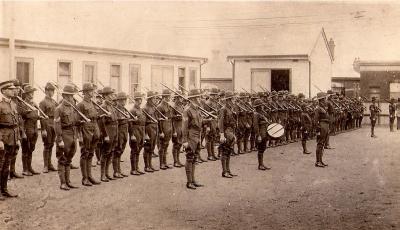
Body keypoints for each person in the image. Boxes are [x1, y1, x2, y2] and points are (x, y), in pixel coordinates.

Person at [54, 84, 79, 190]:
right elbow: (57, 125)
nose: (70, 98)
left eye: (72, 96)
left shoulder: (73, 107)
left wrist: (77, 136)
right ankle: (62, 183)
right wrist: (59, 139)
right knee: (62, 159)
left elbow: (76, 122)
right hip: (64, 134)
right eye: (68, 96)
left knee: (69, 158)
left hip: (72, 134)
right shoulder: (59, 109)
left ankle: (68, 181)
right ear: (64, 96)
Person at [76, 83, 101, 186]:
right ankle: (85, 178)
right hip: (86, 130)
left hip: (94, 128)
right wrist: (80, 136)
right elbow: (77, 122)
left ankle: (90, 176)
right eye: (91, 91)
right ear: (85, 93)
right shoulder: (80, 105)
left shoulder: (93, 103)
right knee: (85, 153)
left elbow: (96, 117)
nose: (93, 92)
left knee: (91, 153)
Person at [0, 80, 20, 199]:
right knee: (0, 164)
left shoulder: (13, 104)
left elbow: (15, 122)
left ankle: (4, 189)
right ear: (3, 90)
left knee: (7, 164)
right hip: (3, 137)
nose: (13, 91)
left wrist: (16, 138)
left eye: (13, 89)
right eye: (10, 89)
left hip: (12, 137)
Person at [182, 89, 204, 189]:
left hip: (197, 135)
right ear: (194, 99)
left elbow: (199, 122)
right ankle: (189, 182)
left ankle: (193, 180)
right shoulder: (187, 110)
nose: (200, 99)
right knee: (189, 157)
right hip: (191, 136)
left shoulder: (197, 109)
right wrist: (185, 141)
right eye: (198, 97)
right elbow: (184, 127)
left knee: (195, 158)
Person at [20, 85, 40, 176]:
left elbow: (35, 116)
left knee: (31, 149)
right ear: (26, 94)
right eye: (30, 93)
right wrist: (23, 133)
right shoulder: (23, 104)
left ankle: (29, 167)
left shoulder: (34, 104)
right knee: (25, 149)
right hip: (27, 129)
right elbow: (21, 119)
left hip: (34, 129)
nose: (32, 94)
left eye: (32, 92)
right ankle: (25, 169)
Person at [99, 87, 118, 182]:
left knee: (110, 152)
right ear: (105, 96)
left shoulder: (111, 106)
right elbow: (101, 122)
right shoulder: (103, 107)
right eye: (110, 95)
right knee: (105, 153)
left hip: (114, 131)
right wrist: (105, 135)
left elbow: (115, 120)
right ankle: (102, 175)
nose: (112, 96)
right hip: (108, 131)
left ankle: (107, 173)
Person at [39, 82, 58, 173]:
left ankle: (50, 164)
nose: (51, 92)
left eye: (52, 91)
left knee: (51, 144)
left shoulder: (54, 102)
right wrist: (43, 129)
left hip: (53, 123)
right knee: (47, 145)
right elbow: (42, 116)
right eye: (49, 90)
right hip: (46, 124)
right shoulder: (42, 102)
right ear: (46, 91)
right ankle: (45, 165)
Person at [218, 91, 238, 178]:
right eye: (233, 98)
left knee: (229, 151)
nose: (235, 100)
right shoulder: (223, 109)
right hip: (226, 132)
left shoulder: (230, 109)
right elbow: (220, 123)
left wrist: (234, 134)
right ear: (229, 100)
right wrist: (222, 134)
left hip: (230, 131)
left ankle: (228, 170)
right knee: (224, 152)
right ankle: (224, 171)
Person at [129, 92, 146, 175]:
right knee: (134, 150)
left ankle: (137, 167)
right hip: (135, 130)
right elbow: (130, 124)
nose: (140, 101)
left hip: (141, 130)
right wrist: (132, 135)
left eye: (141, 99)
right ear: (135, 100)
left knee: (138, 149)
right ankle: (133, 169)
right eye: (139, 99)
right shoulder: (132, 110)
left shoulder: (140, 109)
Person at [143, 91, 160, 172]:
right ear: (149, 99)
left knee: (152, 148)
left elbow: (156, 117)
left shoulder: (153, 107)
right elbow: (144, 123)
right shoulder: (145, 108)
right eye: (153, 98)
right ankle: (146, 166)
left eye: (155, 98)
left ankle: (150, 165)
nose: (155, 100)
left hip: (154, 128)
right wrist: (145, 134)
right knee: (147, 147)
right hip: (148, 128)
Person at [157, 89, 174, 170]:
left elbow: (171, 117)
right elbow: (159, 120)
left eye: (169, 97)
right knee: (162, 146)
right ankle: (161, 164)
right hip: (163, 128)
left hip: (168, 127)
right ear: (163, 97)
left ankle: (165, 162)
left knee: (166, 146)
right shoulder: (160, 106)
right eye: (167, 97)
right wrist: (160, 131)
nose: (168, 98)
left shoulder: (168, 105)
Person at [114, 92, 129, 178]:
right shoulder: (116, 110)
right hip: (119, 131)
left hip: (124, 131)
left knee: (121, 151)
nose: (124, 102)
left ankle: (119, 170)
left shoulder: (124, 109)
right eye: (122, 100)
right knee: (117, 151)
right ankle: (116, 171)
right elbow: (116, 121)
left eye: (125, 100)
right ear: (118, 101)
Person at [252, 99, 271, 170]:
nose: (263, 106)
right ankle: (260, 165)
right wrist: (258, 135)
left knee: (263, 148)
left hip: (265, 132)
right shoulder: (256, 114)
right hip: (260, 133)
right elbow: (255, 126)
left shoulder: (262, 113)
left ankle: (262, 164)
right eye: (261, 105)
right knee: (260, 149)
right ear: (258, 106)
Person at [314, 92, 329, 168]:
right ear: (322, 100)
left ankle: (320, 160)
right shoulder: (318, 108)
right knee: (320, 144)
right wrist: (318, 129)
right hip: (321, 126)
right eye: (324, 99)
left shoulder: (323, 107)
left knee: (322, 144)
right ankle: (317, 161)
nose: (326, 100)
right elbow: (315, 120)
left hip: (325, 125)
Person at [171, 93, 185, 167]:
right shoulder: (173, 107)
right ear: (176, 98)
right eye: (180, 97)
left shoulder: (181, 106)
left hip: (181, 126)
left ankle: (178, 160)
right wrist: (174, 131)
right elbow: (171, 118)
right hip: (176, 127)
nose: (181, 99)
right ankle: (175, 161)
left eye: (181, 97)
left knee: (179, 144)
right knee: (176, 144)